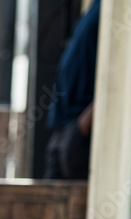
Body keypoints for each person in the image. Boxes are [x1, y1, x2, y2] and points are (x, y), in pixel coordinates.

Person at [44, 0, 100, 179]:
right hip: (62, 125)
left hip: (78, 126)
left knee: (77, 201)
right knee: (51, 201)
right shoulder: (94, 8)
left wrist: (83, 124)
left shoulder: (112, 11)